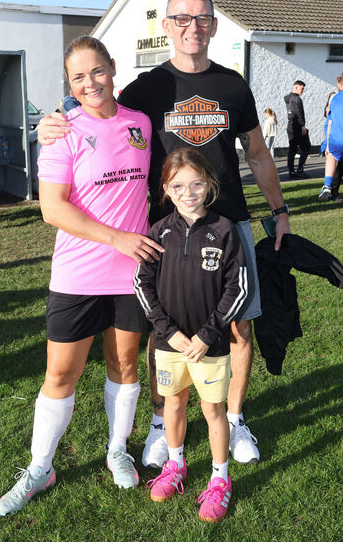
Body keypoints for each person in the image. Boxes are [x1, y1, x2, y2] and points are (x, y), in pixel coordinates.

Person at [37, 0, 291, 468]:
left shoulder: (235, 86)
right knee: (163, 331)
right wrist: (56, 119)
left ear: (214, 25)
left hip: (229, 224)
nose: (191, 28)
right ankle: (160, 421)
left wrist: (279, 210)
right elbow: (100, 111)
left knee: (237, 329)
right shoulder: (146, 89)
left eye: (201, 19)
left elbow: (257, 155)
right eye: (181, 19)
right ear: (166, 25)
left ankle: (234, 419)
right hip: (166, 232)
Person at [0, 36, 164, 517]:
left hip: (133, 272)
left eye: (97, 71)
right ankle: (40, 466)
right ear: (68, 84)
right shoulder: (62, 130)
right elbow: (52, 208)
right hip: (79, 272)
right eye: (78, 77)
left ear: (113, 69)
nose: (91, 83)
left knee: (125, 367)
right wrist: (116, 239)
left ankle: (117, 451)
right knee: (60, 374)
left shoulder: (141, 123)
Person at [134, 148, 248, 523]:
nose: (189, 192)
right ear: (165, 188)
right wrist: (168, 330)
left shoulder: (225, 231)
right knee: (173, 404)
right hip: (170, 344)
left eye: (197, 183)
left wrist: (206, 333)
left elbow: (239, 289)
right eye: (179, 185)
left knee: (213, 410)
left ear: (210, 184)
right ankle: (176, 464)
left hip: (209, 346)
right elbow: (142, 283)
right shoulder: (159, 231)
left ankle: (220, 479)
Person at [319, 76, 343, 200]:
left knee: (332, 158)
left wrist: (327, 144)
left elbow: (329, 122)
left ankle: (327, 186)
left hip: (336, 138)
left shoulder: (334, 98)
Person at [284, 80, 311, 178]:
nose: (302, 91)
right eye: (301, 88)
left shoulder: (289, 98)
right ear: (295, 87)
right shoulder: (296, 99)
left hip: (290, 126)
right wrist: (303, 126)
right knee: (306, 148)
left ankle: (291, 171)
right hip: (297, 127)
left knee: (292, 149)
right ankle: (300, 170)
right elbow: (299, 113)